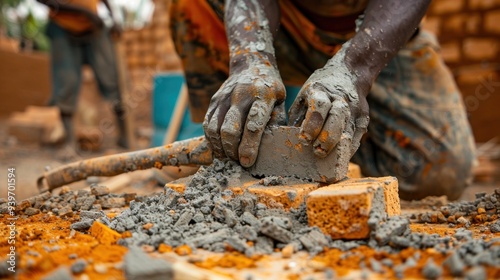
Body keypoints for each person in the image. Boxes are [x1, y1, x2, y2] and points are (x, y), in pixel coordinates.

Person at [170, 0, 476, 200]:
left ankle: (325, 155)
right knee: (191, 5)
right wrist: (251, 59)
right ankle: (231, 149)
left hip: (377, 32)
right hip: (278, 24)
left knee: (440, 173)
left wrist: (354, 70)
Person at [37, 0, 128, 149]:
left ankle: (125, 136)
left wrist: (114, 18)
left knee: (112, 79)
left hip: (94, 27)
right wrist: (84, 12)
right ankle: (70, 143)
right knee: (66, 83)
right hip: (62, 27)